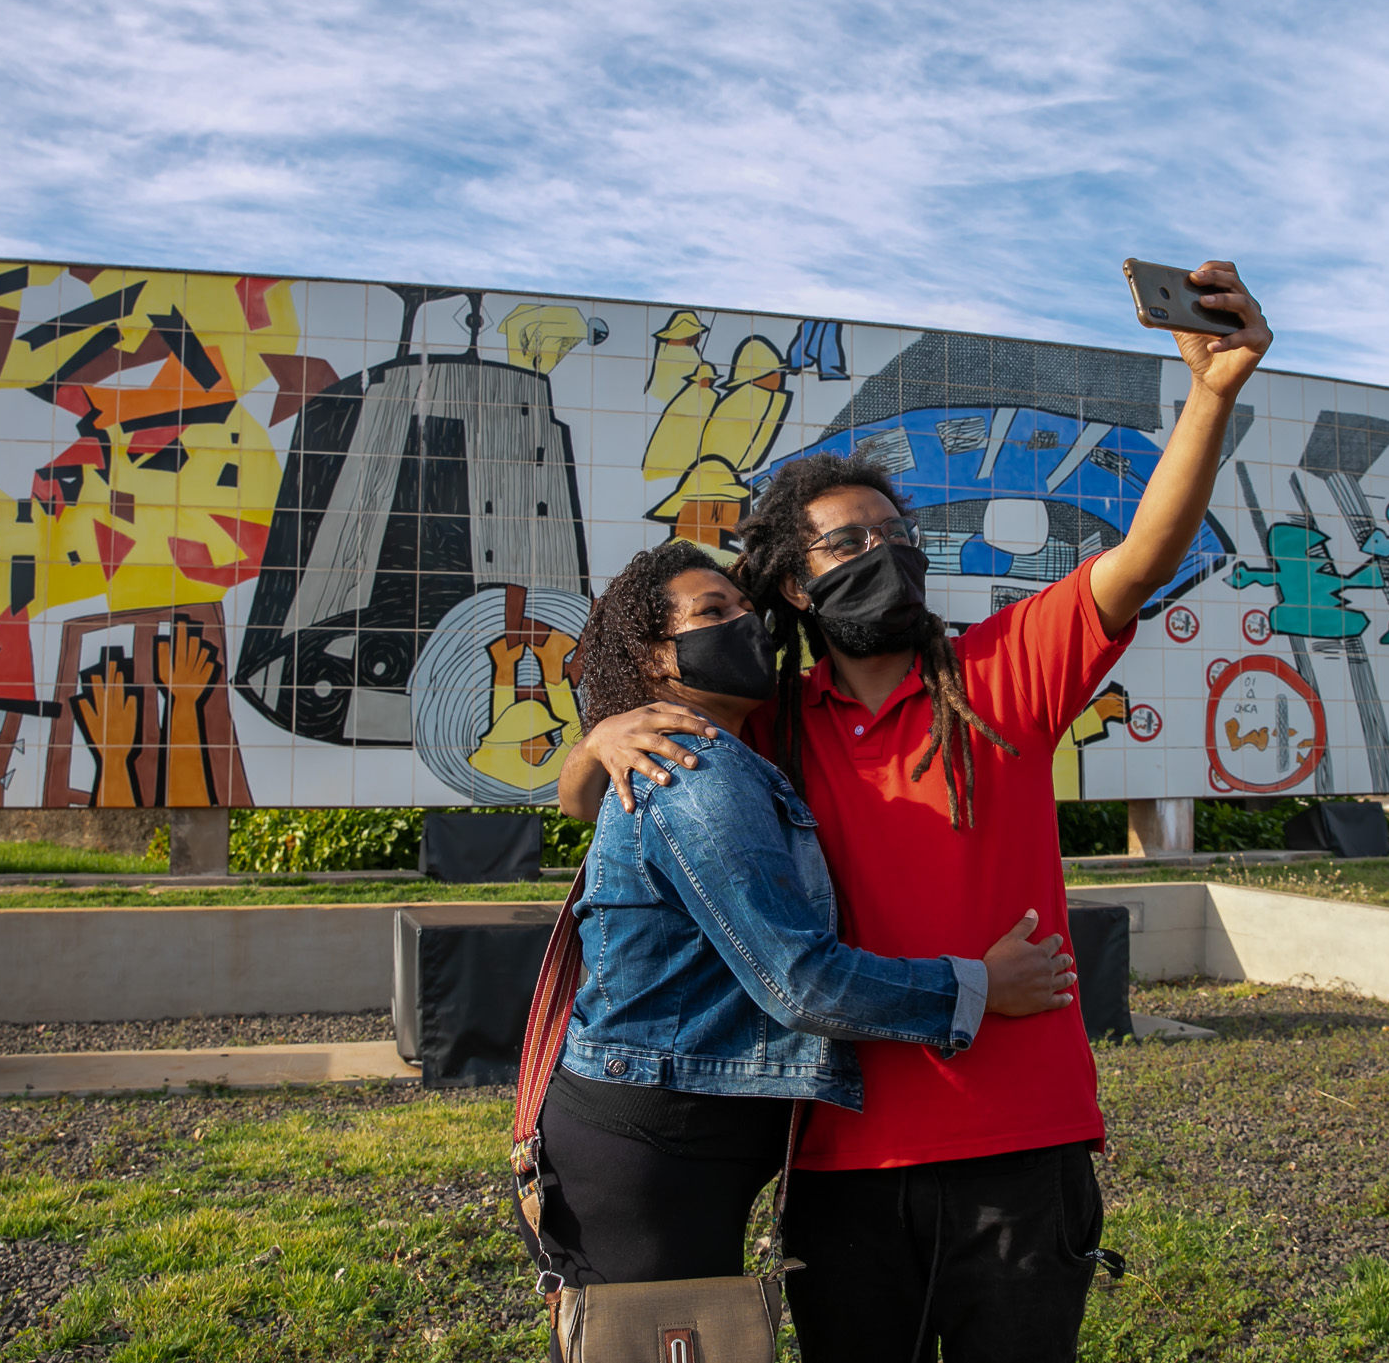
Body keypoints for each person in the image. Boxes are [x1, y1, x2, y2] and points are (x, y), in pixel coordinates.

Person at [558, 260, 1272, 1361]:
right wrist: (603, 733)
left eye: (898, 533)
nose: (884, 550)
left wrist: (1212, 393)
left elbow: (1142, 558)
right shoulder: (765, 725)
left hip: (1019, 1150)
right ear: (794, 587)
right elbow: (610, 798)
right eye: (847, 541)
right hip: (839, 1162)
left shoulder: (1000, 675)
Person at [515, 538, 1078, 1311]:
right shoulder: (691, 768)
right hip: (654, 1136)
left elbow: (582, 802)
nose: (743, 626)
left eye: (748, 608)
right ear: (652, 659)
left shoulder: (727, 750)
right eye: (713, 612)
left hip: (673, 1132)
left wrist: (594, 739)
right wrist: (976, 986)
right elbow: (799, 980)